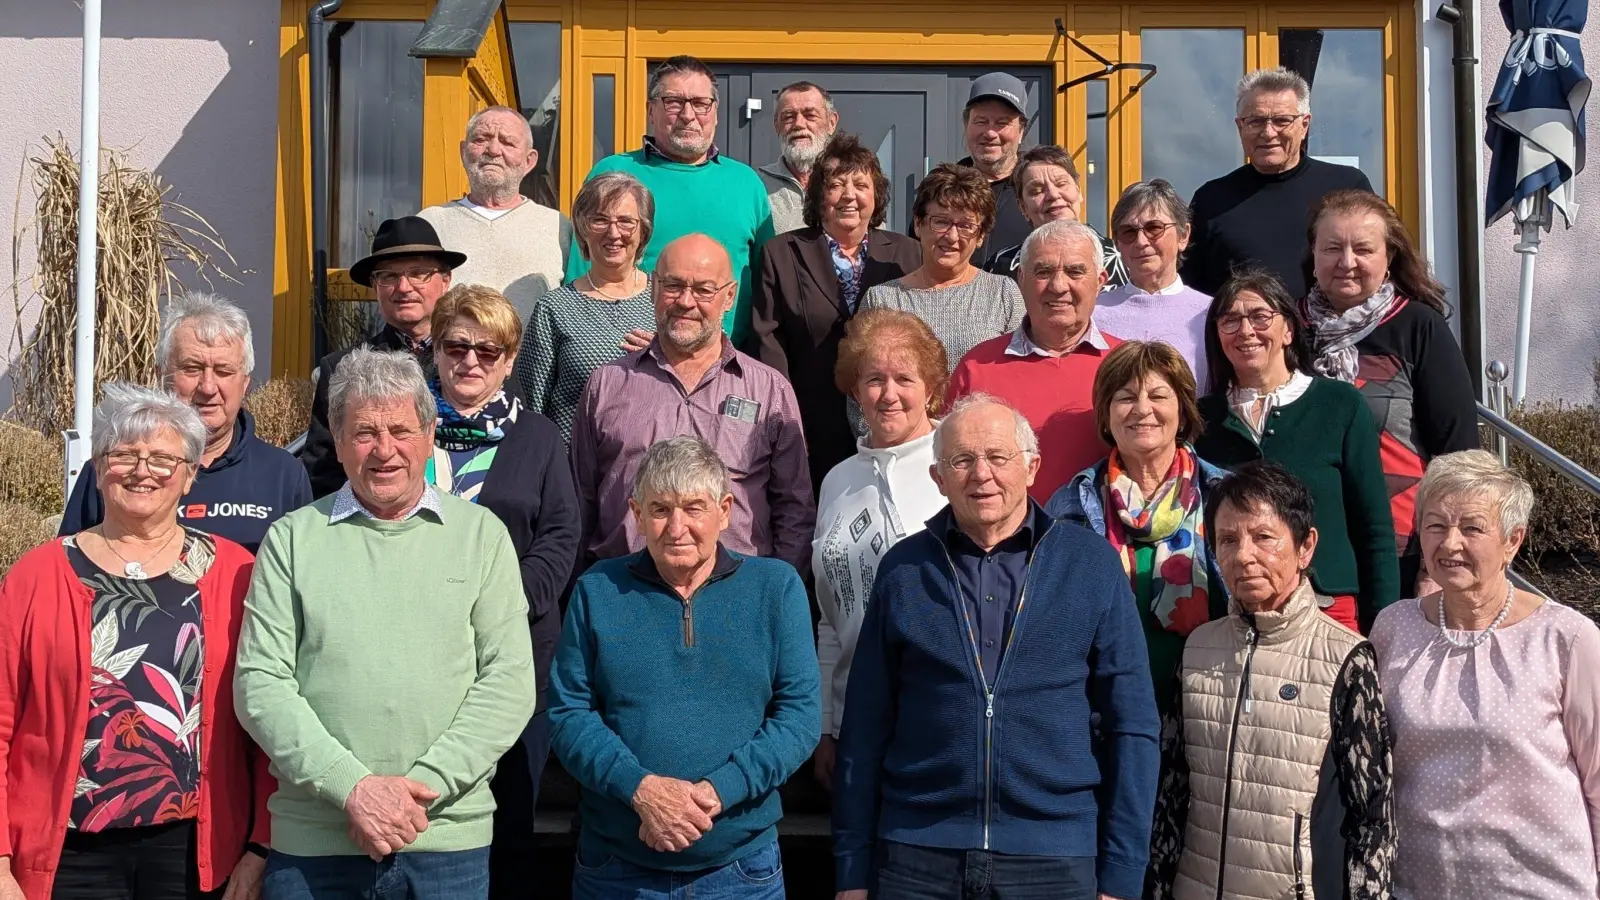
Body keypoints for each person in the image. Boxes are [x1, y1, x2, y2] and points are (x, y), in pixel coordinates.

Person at [833, 394, 1160, 900]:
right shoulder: (903, 570)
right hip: (917, 855)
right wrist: (852, 869)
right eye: (962, 460)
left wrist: (1121, 873)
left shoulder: (1090, 565)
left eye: (997, 457)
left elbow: (1132, 724)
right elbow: (864, 726)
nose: (981, 474)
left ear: (1031, 468)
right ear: (938, 478)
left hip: (1053, 857)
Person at [236, 348, 536, 899]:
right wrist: (353, 790)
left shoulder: (482, 536)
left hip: (445, 842)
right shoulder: (292, 540)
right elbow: (261, 684)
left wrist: (417, 791)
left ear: (429, 434)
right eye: (364, 433)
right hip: (316, 846)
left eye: (400, 430)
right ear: (338, 441)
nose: (384, 450)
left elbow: (509, 682)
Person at [0, 384, 271, 900]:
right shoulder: (38, 576)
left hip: (195, 850)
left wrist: (261, 845)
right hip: (66, 854)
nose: (142, 470)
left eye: (163, 459)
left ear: (189, 474)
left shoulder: (236, 573)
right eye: (123, 454)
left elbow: (265, 715)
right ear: (98, 468)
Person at [550, 436, 820, 899]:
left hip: (740, 869)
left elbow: (799, 717)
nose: (677, 528)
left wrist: (715, 793)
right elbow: (568, 714)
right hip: (616, 867)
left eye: (694, 508)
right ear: (636, 515)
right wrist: (641, 789)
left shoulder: (775, 589)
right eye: (660, 510)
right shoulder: (598, 590)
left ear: (725, 510)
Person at [1148, 460, 1395, 900]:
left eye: (1263, 537)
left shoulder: (1346, 658)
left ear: (1305, 547)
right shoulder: (1197, 648)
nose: (1244, 555)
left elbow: (1373, 817)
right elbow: (1171, 794)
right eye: (1228, 540)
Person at [1371, 449, 1600, 900]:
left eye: (1472, 528)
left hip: (1538, 888)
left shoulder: (1566, 639)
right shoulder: (1394, 628)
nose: (1450, 543)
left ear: (1512, 540)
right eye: (1436, 525)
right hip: (1416, 886)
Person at [425, 284, 581, 897]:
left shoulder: (538, 437)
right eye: (456, 346)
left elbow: (561, 535)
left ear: (510, 360)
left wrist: (500, 608)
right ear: (436, 351)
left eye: (488, 350)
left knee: (511, 822)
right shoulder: (407, 430)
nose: (471, 361)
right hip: (421, 656)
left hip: (514, 657)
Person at [571, 234, 815, 574]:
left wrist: (775, 591)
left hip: (738, 590)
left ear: (729, 296)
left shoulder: (769, 391)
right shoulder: (606, 385)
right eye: (673, 286)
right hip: (624, 588)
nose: (686, 301)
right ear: (653, 287)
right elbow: (579, 505)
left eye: (703, 290)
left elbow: (795, 511)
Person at [1194, 268, 1398, 632]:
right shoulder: (1201, 420)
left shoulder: (1339, 405)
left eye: (1260, 316)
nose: (1246, 330)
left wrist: (1384, 626)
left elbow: (1374, 529)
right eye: (1230, 320)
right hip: (1233, 611)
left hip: (1328, 609)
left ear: (1288, 329)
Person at [1302, 189, 1478, 597]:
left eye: (1363, 249)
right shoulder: (1285, 329)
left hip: (1403, 548)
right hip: (1305, 549)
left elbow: (1458, 451)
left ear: (1389, 258)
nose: (1347, 262)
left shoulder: (1418, 327)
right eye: (1332, 248)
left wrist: (1437, 563)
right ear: (1313, 255)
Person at [810, 309, 949, 791]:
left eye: (904, 379)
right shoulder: (836, 481)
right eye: (874, 380)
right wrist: (826, 726)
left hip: (938, 716)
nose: (889, 394)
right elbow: (830, 618)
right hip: (856, 721)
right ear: (855, 391)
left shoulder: (956, 466)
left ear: (930, 388)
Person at [60, 292, 311, 552]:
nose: (208, 387)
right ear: (161, 374)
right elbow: (69, 563)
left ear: (245, 382)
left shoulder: (283, 475)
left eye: (223, 371)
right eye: (191, 368)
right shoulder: (116, 469)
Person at [1045, 341, 1228, 694]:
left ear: (1183, 412)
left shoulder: (1225, 496)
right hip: (1106, 702)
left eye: (1158, 396)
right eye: (1126, 398)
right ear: (1106, 415)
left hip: (1211, 699)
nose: (1143, 409)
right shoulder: (1070, 506)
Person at [752, 133, 922, 491]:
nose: (849, 195)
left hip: (890, 421)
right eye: (835, 185)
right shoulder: (781, 254)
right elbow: (769, 342)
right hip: (809, 427)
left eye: (861, 185)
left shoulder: (909, 254)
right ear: (818, 195)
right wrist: (784, 418)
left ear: (876, 196)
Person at [568, 56, 775, 349]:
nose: (688, 115)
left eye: (700, 103)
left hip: (728, 360)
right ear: (651, 111)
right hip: (629, 355)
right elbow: (583, 274)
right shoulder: (614, 173)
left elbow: (767, 285)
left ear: (716, 113)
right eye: (673, 102)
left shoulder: (746, 183)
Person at [946, 219, 1119, 502]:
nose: (1058, 286)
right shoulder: (977, 367)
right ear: (1021, 278)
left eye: (1075, 271)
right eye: (1043, 271)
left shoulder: (1127, 366)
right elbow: (950, 462)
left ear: (1100, 281)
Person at [301, 215, 466, 498]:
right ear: (375, 286)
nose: (403, 287)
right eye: (388, 276)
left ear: (445, 280)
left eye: (418, 273)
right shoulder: (342, 369)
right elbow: (322, 472)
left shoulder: (478, 362)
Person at [1181, 67, 1374, 298]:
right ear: (1240, 127)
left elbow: (1379, 264)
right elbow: (1189, 291)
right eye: (1256, 121)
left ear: (1304, 125)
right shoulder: (1211, 200)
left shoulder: (1347, 187)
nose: (1268, 132)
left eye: (1282, 120)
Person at [515, 172, 658, 442]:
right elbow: (532, 406)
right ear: (583, 228)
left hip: (654, 462)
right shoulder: (554, 309)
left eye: (626, 221)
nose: (613, 233)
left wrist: (669, 358)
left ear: (643, 231)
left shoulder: (667, 301)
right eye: (600, 220)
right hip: (574, 462)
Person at [861, 164, 1025, 372]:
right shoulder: (882, 300)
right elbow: (863, 378)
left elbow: (1021, 374)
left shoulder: (1003, 294)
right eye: (941, 222)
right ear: (918, 224)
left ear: (981, 236)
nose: (952, 236)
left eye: (966, 226)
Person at [417, 106, 572, 322]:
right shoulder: (431, 224)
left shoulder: (558, 227)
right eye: (481, 139)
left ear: (529, 161)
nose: (493, 150)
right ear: (463, 151)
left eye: (508, 142)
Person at [1095, 180, 1214, 388]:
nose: (1141, 241)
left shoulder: (1211, 314)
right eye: (1128, 232)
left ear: (1183, 235)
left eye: (1154, 228)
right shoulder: (1094, 313)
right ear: (1117, 244)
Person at [926, 72, 1034, 269]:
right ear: (966, 125)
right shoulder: (941, 187)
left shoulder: (1037, 190)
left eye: (1002, 123)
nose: (990, 133)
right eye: (981, 121)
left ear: (1021, 132)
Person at [986, 145, 1128, 289]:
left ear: (1078, 191)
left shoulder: (1126, 257)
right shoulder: (1001, 267)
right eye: (1037, 191)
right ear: (1022, 207)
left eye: (1061, 184)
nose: (1053, 195)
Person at [757, 81, 840, 235]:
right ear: (776, 125)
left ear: (831, 123)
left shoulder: (853, 182)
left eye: (810, 115)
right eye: (789, 117)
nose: (799, 124)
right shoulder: (757, 186)